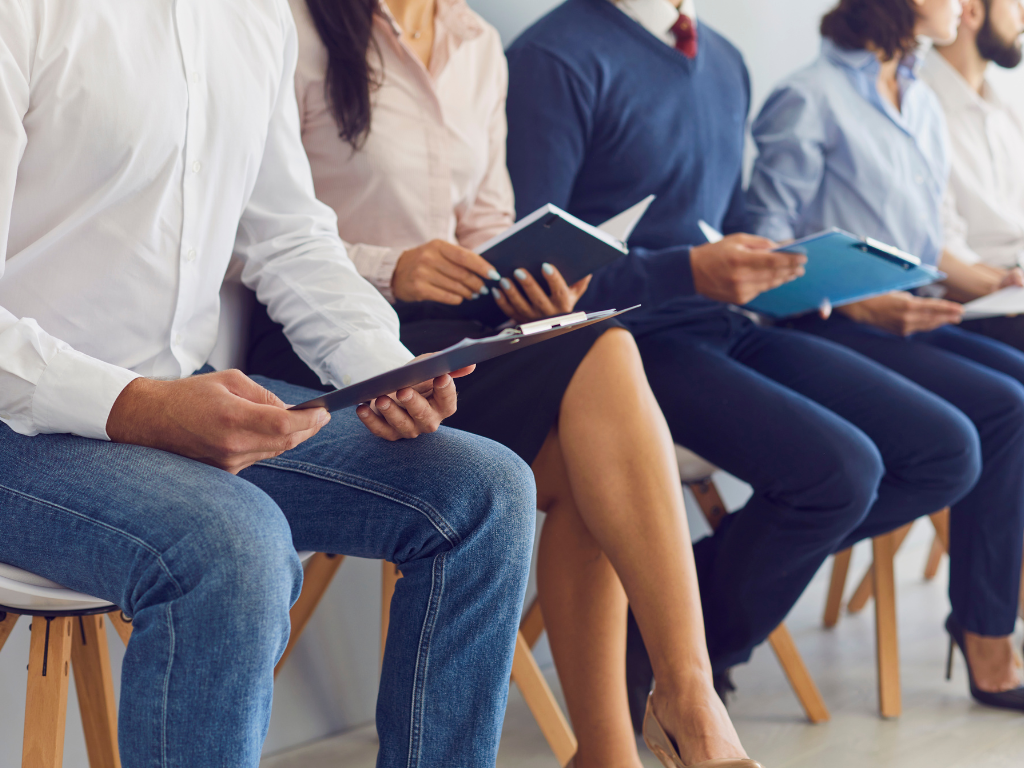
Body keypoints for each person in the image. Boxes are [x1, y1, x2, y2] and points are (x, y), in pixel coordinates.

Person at [0, 2, 541, 766]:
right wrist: (136, 408)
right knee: (234, 545)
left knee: (483, 493)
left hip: (178, 392)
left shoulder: (252, 17)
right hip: (17, 423)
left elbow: (287, 235)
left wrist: (374, 362)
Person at [246, 1, 761, 766]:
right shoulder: (293, 25)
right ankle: (677, 711)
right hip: (317, 336)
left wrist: (529, 277)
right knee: (606, 363)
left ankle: (630, 736)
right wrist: (396, 265)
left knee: (595, 423)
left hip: (447, 327)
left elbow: (488, 220)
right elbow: (252, 228)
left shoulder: (477, 40)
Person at [503, 0, 987, 722]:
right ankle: (677, 662)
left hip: (722, 322)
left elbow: (718, 227)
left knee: (947, 449)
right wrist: (687, 272)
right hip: (620, 347)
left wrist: (791, 274)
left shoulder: (722, 59)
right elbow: (533, 275)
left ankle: (664, 623)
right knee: (842, 471)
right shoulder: (556, 56)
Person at [748, 0, 1024, 711]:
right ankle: (987, 633)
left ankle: (985, 620)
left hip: (906, 320)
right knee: (1005, 409)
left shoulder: (919, 101)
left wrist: (990, 278)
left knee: (1019, 393)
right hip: (824, 325)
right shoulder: (810, 96)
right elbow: (759, 254)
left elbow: (925, 247)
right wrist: (860, 303)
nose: (966, 5)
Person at [920, 0, 1024, 351]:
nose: (1022, 17)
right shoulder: (917, 106)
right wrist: (1001, 284)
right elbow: (933, 247)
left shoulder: (1005, 110)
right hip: (971, 298)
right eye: (1013, 4)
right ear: (972, 12)